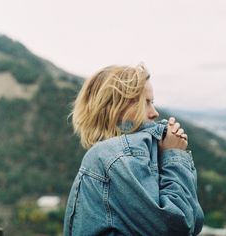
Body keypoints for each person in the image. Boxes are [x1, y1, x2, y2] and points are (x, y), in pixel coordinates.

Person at [63, 64, 204, 236]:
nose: (155, 113)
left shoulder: (114, 155)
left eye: (152, 102)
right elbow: (180, 225)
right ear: (115, 107)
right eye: (145, 103)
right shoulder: (112, 156)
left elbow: (192, 220)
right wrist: (174, 156)